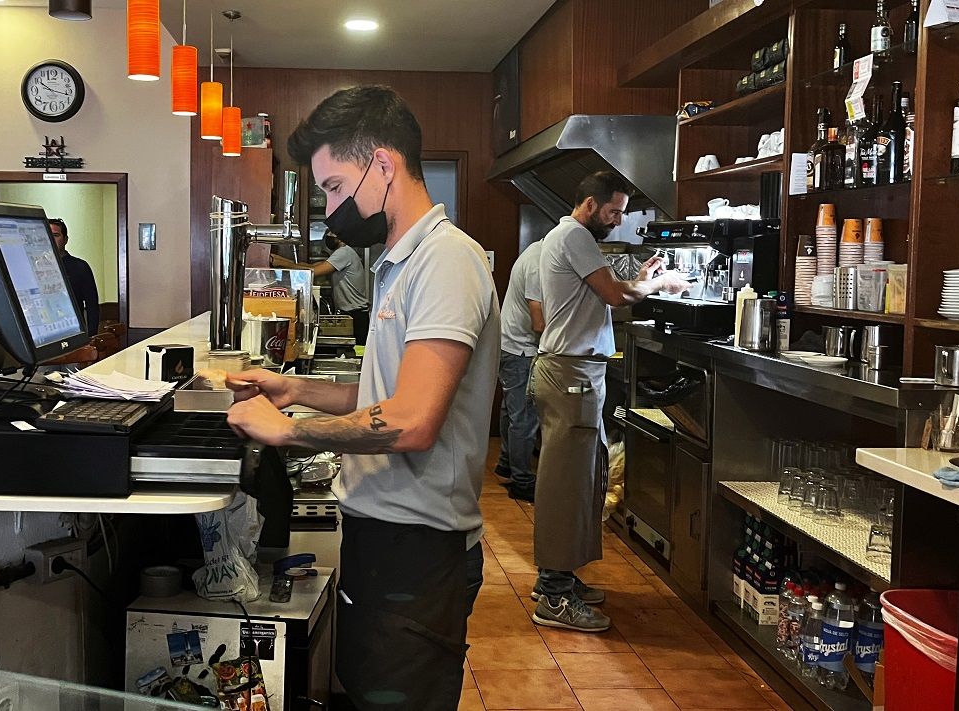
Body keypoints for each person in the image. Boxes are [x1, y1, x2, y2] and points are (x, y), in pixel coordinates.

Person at [223, 85, 499, 710]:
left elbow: (411, 422)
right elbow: (381, 391)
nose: (331, 208)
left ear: (382, 164)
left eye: (335, 187)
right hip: (383, 536)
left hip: (418, 551)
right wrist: (293, 389)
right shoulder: (397, 262)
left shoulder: (446, 262)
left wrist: (289, 431)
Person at [530, 171, 690, 633]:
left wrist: (643, 277)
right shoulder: (574, 235)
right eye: (614, 211)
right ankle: (553, 595)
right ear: (589, 203)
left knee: (583, 482)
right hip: (570, 375)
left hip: (577, 374)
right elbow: (617, 296)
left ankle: (560, 579)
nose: (618, 220)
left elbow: (610, 293)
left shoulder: (571, 237)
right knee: (567, 486)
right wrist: (660, 286)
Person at [495, 239, 544, 503]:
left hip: (510, 345)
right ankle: (522, 482)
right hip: (521, 349)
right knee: (524, 418)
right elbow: (538, 322)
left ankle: (506, 465)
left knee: (511, 411)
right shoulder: (538, 263)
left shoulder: (534, 251)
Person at [270, 232, 371, 344]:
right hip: (351, 312)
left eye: (331, 233)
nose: (328, 236)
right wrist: (283, 261)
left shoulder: (344, 252)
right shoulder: (341, 253)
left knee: (358, 352)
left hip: (356, 315)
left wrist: (281, 263)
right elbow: (311, 266)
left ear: (341, 237)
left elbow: (314, 272)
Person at [47, 218, 100, 336]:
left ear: (65, 239)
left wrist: (91, 336)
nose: (50, 239)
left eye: (56, 235)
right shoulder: (34, 266)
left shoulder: (80, 267)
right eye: (47, 235)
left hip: (73, 331)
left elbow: (92, 306)